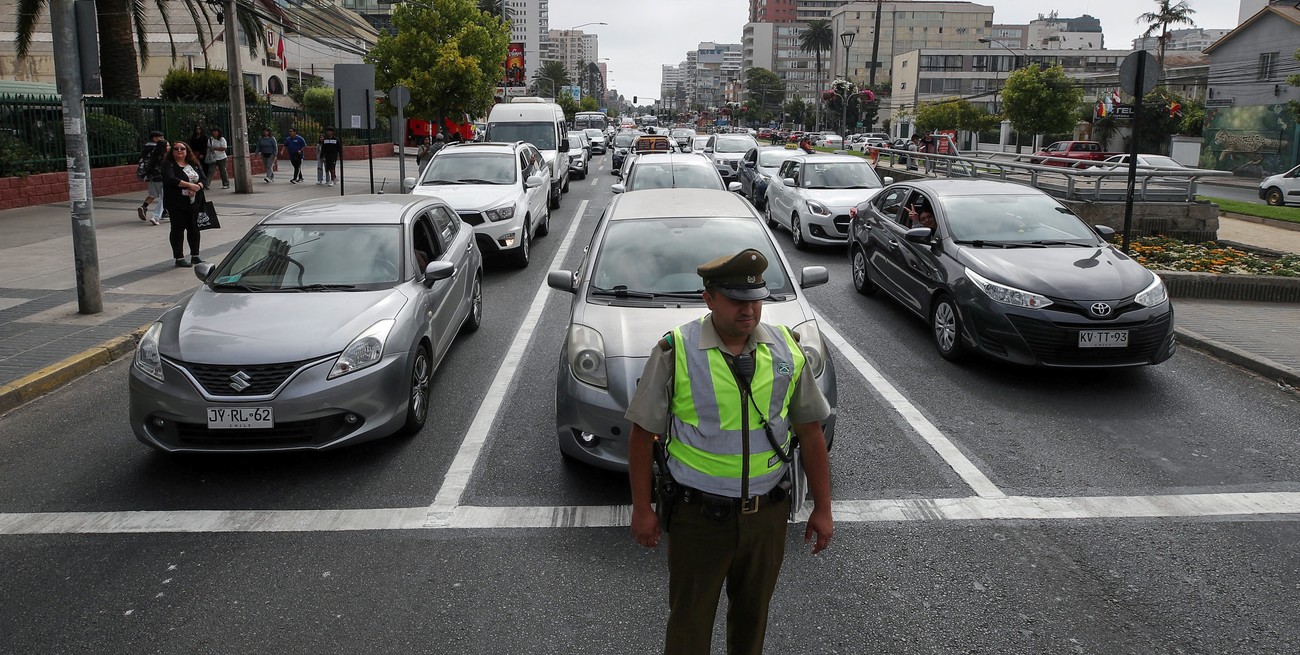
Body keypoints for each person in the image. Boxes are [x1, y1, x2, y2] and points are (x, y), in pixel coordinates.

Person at [626, 249, 834, 655]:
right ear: (709, 299)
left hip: (767, 517)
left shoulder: (787, 349)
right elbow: (641, 434)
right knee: (688, 627)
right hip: (699, 520)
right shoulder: (676, 350)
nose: (748, 310)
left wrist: (823, 509)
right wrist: (641, 508)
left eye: (755, 299)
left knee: (752, 625)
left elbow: (810, 432)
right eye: (737, 300)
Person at [160, 140, 208, 268]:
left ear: (187, 151)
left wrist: (197, 186)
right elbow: (171, 179)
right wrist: (189, 185)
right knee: (178, 229)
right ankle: (179, 257)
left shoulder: (193, 164)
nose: (179, 151)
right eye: (176, 149)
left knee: (194, 229)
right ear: (172, 151)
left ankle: (195, 255)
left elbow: (204, 179)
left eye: (182, 148)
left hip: (194, 202)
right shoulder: (168, 165)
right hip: (176, 203)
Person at [137, 130, 167, 225]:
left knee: (153, 194)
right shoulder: (158, 148)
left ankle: (144, 207)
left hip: (150, 176)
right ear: (154, 138)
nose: (163, 139)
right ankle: (156, 216)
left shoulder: (146, 148)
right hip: (159, 175)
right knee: (165, 197)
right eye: (161, 137)